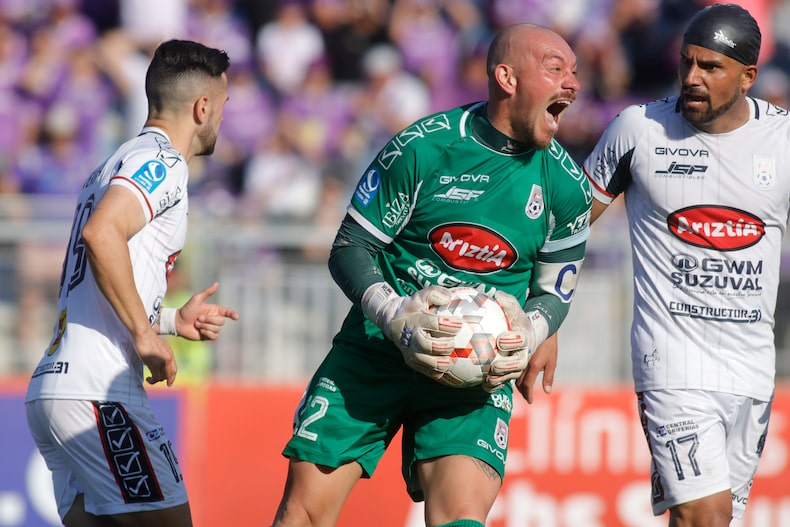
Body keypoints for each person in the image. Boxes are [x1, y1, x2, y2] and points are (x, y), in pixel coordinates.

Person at [271, 23, 592, 527]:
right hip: (377, 348)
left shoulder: (567, 187)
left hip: (475, 376)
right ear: (506, 77)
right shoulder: (422, 149)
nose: (572, 83)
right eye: (555, 68)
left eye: (574, 72)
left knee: (460, 518)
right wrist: (393, 313)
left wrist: (533, 331)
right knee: (303, 513)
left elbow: (555, 289)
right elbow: (351, 246)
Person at [577, 4, 778, 525]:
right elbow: (567, 227)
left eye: (710, 67)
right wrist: (542, 317)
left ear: (748, 77)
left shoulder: (781, 142)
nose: (692, 78)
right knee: (703, 516)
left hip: (751, 369)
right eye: (687, 62)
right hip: (672, 362)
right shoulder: (639, 131)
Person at [25, 39, 238, 527]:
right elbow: (102, 235)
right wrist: (144, 335)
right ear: (203, 107)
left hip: (56, 391)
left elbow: (96, 273)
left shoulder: (113, 162)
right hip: (99, 394)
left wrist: (166, 319)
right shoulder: (163, 163)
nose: (224, 118)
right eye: (224, 106)